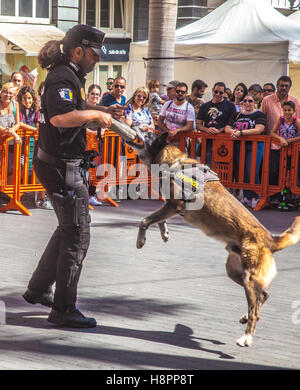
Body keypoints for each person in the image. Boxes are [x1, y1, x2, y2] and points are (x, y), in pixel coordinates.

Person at [22, 24, 114, 328]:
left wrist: (98, 109)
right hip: (62, 167)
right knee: (77, 237)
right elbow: (61, 117)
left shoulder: (68, 74)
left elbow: (71, 107)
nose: (97, 60)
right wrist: (96, 116)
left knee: (67, 230)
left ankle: (38, 290)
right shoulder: (64, 76)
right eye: (94, 54)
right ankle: (63, 310)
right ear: (78, 51)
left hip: (59, 164)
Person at [225, 94, 266, 208]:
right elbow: (227, 128)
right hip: (239, 146)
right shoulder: (237, 114)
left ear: (255, 103)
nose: (247, 103)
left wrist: (241, 133)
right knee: (242, 171)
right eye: (245, 101)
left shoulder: (259, 114)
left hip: (255, 146)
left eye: (250, 101)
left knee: (252, 170)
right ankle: (247, 196)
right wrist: (233, 132)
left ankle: (256, 196)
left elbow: (259, 129)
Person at [17, 86, 53, 210]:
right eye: (24, 98)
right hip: (21, 146)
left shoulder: (36, 111)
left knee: (38, 170)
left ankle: (40, 198)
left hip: (35, 144)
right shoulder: (19, 111)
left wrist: (36, 129)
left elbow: (39, 125)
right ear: (20, 99)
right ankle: (15, 195)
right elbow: (20, 124)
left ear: (33, 99)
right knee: (21, 168)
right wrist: (33, 129)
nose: (27, 101)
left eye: (29, 98)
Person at [197, 81, 236, 166]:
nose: (218, 94)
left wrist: (219, 130)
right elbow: (198, 124)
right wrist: (207, 129)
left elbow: (233, 123)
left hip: (225, 142)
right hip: (207, 142)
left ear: (224, 93)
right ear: (212, 90)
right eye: (216, 91)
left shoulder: (230, 106)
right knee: (207, 168)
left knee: (222, 168)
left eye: (221, 92)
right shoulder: (204, 106)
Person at [270, 100, 300, 208]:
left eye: (289, 110)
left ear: (294, 111)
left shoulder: (296, 121)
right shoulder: (280, 119)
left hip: (295, 152)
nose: (287, 112)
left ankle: (293, 198)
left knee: (294, 174)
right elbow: (272, 132)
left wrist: (289, 141)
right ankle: (281, 198)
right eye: (285, 110)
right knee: (282, 173)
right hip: (282, 150)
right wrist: (281, 139)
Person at [158, 82, 195, 147]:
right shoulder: (167, 104)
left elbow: (190, 125)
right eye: (178, 91)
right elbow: (160, 121)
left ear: (186, 94)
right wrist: (168, 131)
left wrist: (177, 130)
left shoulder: (189, 107)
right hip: (166, 139)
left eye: (182, 92)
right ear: (175, 92)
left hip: (181, 141)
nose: (180, 93)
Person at [86, 84, 103, 206]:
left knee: (94, 170)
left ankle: (91, 195)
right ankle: (83, 194)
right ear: (88, 94)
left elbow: (106, 124)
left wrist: (102, 131)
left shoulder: (101, 109)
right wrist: (90, 132)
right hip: (84, 143)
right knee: (84, 169)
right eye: (93, 94)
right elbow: (79, 123)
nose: (95, 96)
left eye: (97, 94)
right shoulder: (83, 107)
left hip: (96, 144)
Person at [0, 82, 22, 178]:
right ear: (1, 92)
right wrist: (9, 131)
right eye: (5, 92)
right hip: (2, 141)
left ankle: (4, 191)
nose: (8, 95)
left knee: (11, 168)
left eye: (10, 93)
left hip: (10, 142)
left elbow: (18, 123)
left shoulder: (15, 104)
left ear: (14, 95)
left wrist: (12, 130)